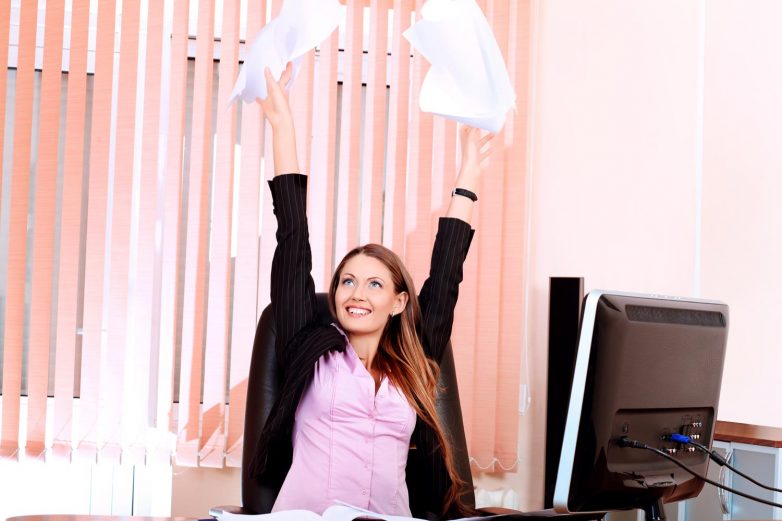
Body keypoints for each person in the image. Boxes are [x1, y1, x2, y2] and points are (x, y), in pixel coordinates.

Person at [248, 62, 492, 520]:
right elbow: (293, 242)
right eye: (348, 281)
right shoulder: (309, 349)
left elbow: (446, 278)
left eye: (375, 284)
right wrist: (282, 126)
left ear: (399, 303)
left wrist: (469, 178)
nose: (356, 294)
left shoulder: (413, 363)